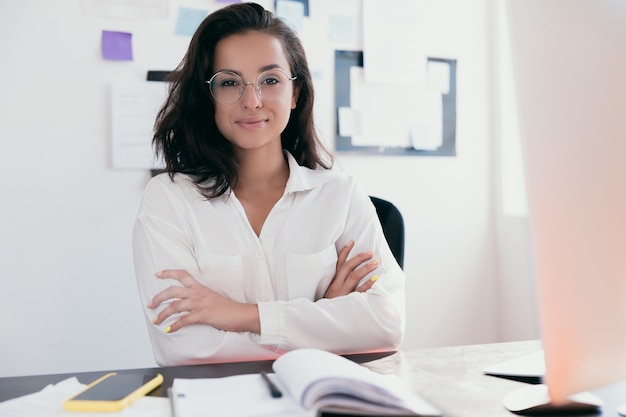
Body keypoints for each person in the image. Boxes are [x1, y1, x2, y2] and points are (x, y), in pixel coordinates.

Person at [132, 2, 406, 366]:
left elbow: (386, 324)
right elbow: (185, 349)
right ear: (207, 97)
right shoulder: (168, 199)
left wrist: (239, 314)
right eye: (229, 82)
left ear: (295, 94)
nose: (251, 100)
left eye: (270, 80)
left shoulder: (340, 195)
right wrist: (324, 317)